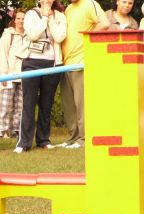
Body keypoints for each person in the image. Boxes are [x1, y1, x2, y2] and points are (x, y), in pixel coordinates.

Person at [13, 0, 66, 153]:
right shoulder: (30, 14)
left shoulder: (60, 16)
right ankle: (24, 142)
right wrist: (43, 17)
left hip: (53, 63)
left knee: (46, 104)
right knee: (28, 103)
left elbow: (59, 37)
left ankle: (43, 139)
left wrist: (50, 18)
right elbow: (33, 35)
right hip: (31, 61)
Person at [59, 0, 110, 149]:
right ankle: (73, 137)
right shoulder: (68, 8)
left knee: (82, 105)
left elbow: (104, 23)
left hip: (81, 61)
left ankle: (84, 139)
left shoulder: (89, 3)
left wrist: (86, 39)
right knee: (69, 106)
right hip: (65, 64)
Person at [0, 9, 26, 139]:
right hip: (9, 73)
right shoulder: (9, 34)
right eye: (19, 18)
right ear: (14, 20)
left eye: (23, 19)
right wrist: (4, 74)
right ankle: (0, 130)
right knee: (5, 104)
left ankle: (16, 129)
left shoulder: (30, 35)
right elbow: (3, 53)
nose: (21, 21)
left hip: (24, 74)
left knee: (20, 105)